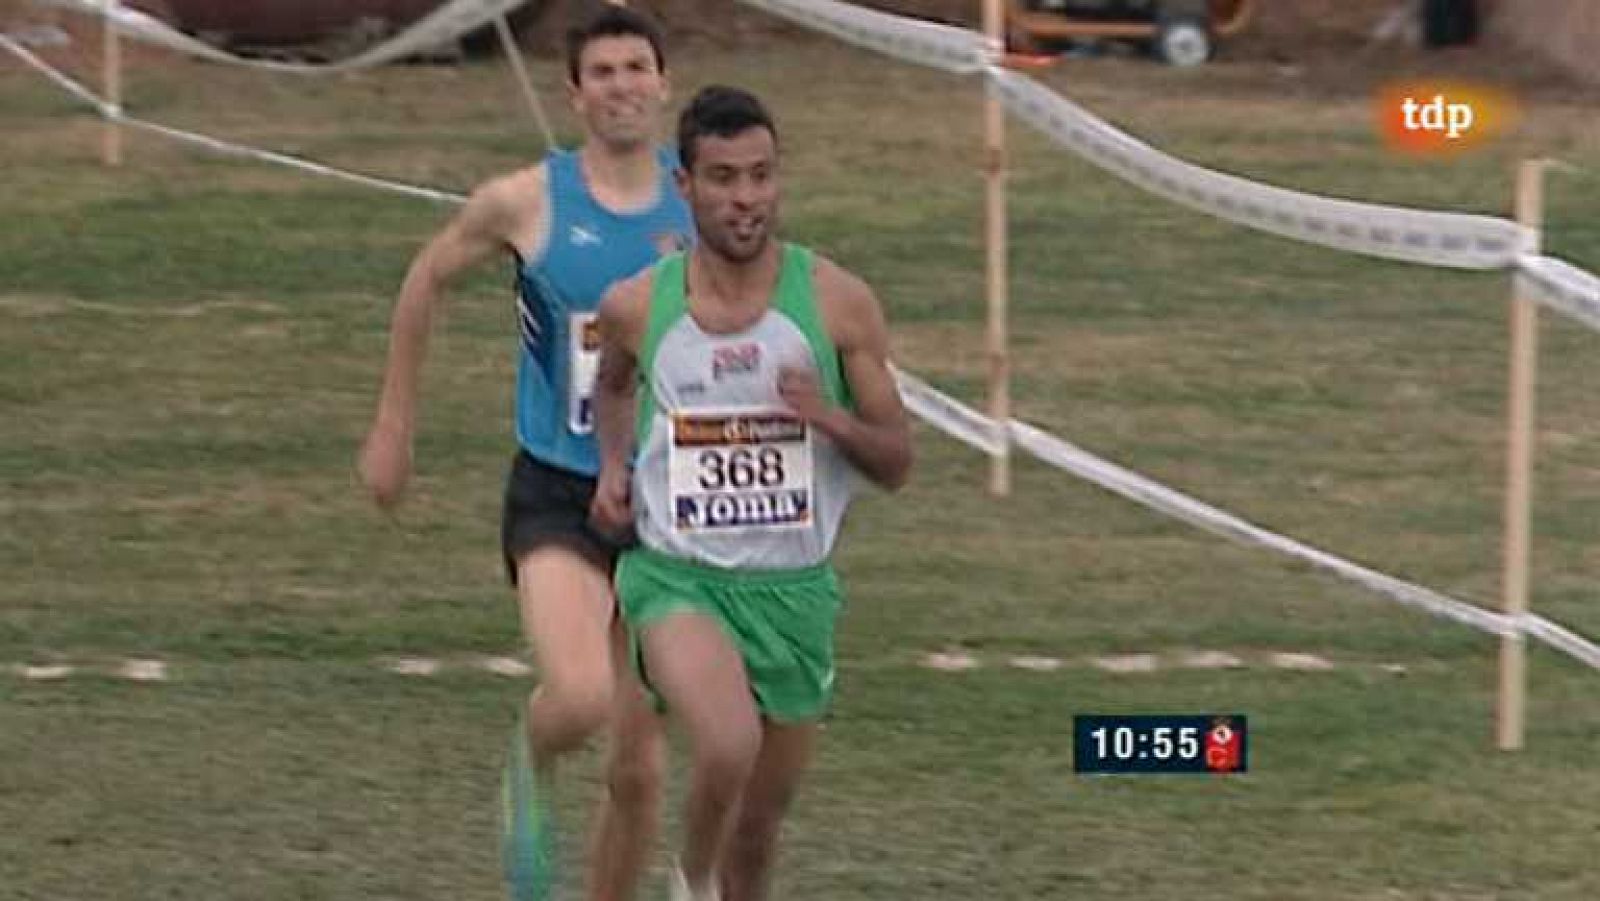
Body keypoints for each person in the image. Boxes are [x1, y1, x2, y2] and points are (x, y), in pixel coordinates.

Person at [356, 6, 691, 901]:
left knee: (641, 771)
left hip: (666, 502)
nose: (623, 86)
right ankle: (532, 757)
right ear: (575, 94)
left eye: (637, 68)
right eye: (604, 72)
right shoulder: (526, 201)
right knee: (579, 697)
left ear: (664, 84)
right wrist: (394, 429)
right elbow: (426, 277)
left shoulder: (697, 200)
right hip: (556, 493)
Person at [591, 85, 914, 901]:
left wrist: (829, 420)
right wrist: (612, 466)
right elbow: (614, 384)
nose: (747, 199)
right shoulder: (638, 305)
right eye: (725, 178)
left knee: (760, 832)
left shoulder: (838, 303)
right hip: (679, 578)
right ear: (684, 184)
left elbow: (899, 459)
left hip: (795, 594)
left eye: (762, 176)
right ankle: (689, 881)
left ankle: (719, 876)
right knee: (726, 745)